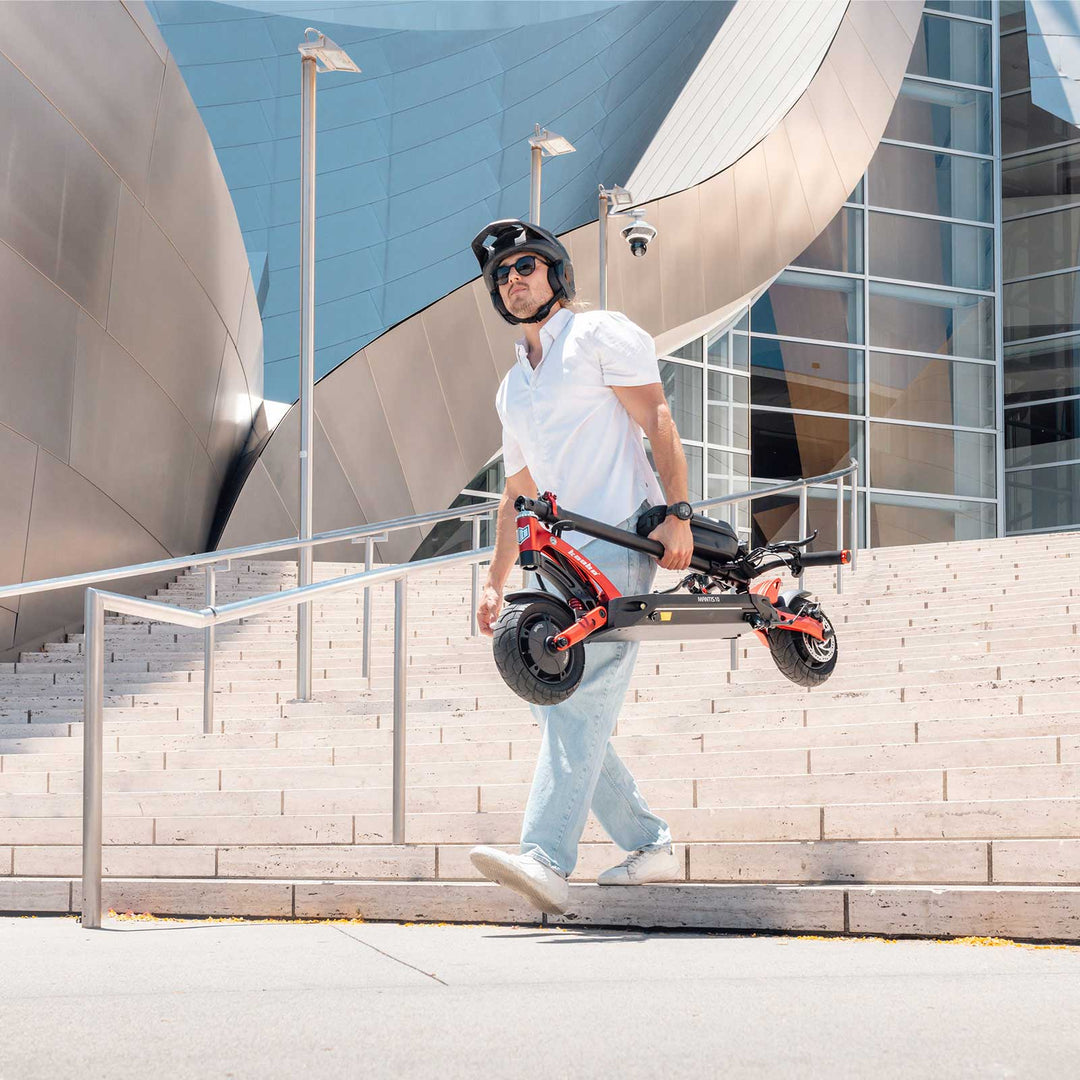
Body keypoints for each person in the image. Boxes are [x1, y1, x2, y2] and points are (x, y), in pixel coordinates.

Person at [466, 219, 696, 916]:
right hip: (554, 557)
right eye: (503, 274)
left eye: (526, 265)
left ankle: (545, 859)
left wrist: (679, 513)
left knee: (584, 692)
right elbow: (517, 490)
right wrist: (493, 577)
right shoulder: (513, 388)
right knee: (559, 704)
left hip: (620, 537)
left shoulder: (600, 336)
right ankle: (649, 842)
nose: (515, 279)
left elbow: (657, 417)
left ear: (555, 273)